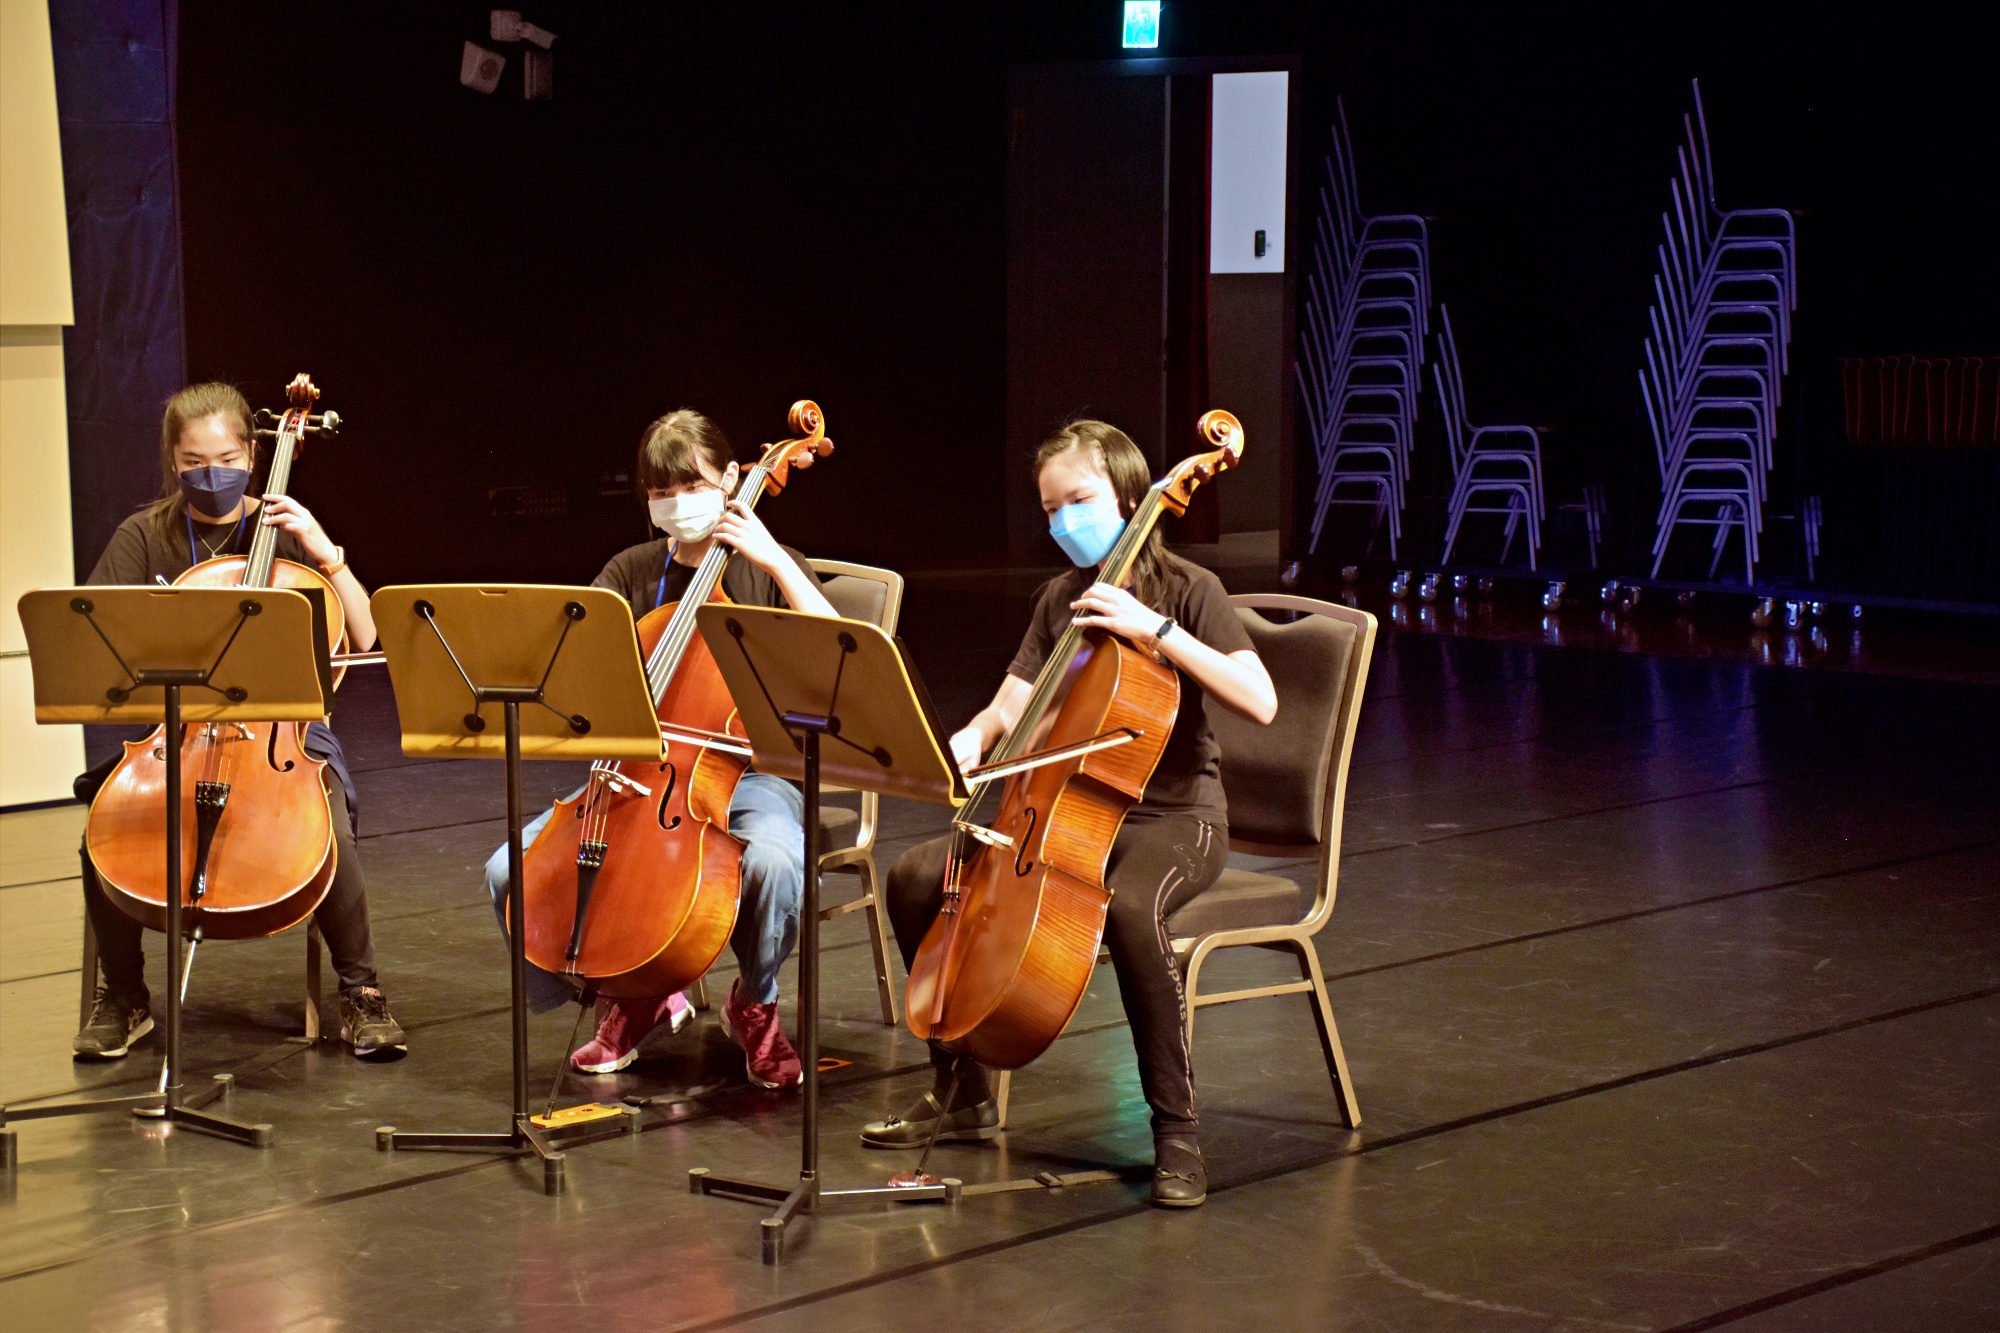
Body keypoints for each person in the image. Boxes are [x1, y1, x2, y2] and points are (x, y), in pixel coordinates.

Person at [861, 419, 1276, 1209]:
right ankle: (963, 1086)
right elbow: (1012, 704)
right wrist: (975, 734)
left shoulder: (1190, 589)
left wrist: (1156, 630)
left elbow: (1260, 699)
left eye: (1078, 501)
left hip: (1174, 817)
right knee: (918, 877)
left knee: (1130, 911)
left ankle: (1177, 1130)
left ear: (1130, 494)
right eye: (1051, 510)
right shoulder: (1061, 598)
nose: (1063, 523)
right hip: (1064, 807)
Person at [484, 409, 835, 1087]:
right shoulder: (631, 571)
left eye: (692, 486)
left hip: (750, 775)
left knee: (776, 864)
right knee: (508, 873)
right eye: (660, 492)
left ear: (730, 479)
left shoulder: (769, 566)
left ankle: (754, 1001)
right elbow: (575, 666)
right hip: (634, 775)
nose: (676, 503)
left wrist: (771, 558)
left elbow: (840, 657)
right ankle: (630, 991)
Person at [74, 382, 406, 1061]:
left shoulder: (286, 529)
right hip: (178, 732)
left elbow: (367, 635)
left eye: (225, 459)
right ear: (172, 460)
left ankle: (362, 992)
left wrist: (325, 551)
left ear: (253, 455)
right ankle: (126, 996)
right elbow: (97, 634)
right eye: (193, 462)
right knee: (101, 832)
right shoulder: (145, 536)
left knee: (327, 825)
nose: (211, 473)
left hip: (285, 733)